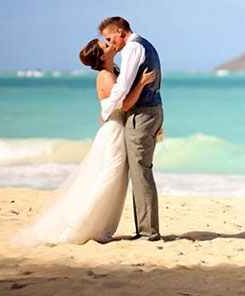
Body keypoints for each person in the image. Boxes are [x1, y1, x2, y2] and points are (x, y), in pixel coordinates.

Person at [13, 38, 156, 245]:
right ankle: (81, 225)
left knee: (115, 180)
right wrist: (142, 84)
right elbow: (124, 105)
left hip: (117, 129)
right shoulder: (106, 76)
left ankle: (99, 225)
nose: (110, 45)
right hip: (113, 133)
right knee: (109, 177)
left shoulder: (114, 71)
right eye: (105, 46)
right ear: (101, 56)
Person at [98, 16, 164, 241]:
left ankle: (148, 232)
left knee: (140, 171)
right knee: (140, 170)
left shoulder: (133, 48)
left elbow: (123, 85)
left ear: (120, 31)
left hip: (142, 113)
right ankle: (145, 229)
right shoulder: (143, 44)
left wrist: (106, 110)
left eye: (109, 38)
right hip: (150, 110)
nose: (110, 43)